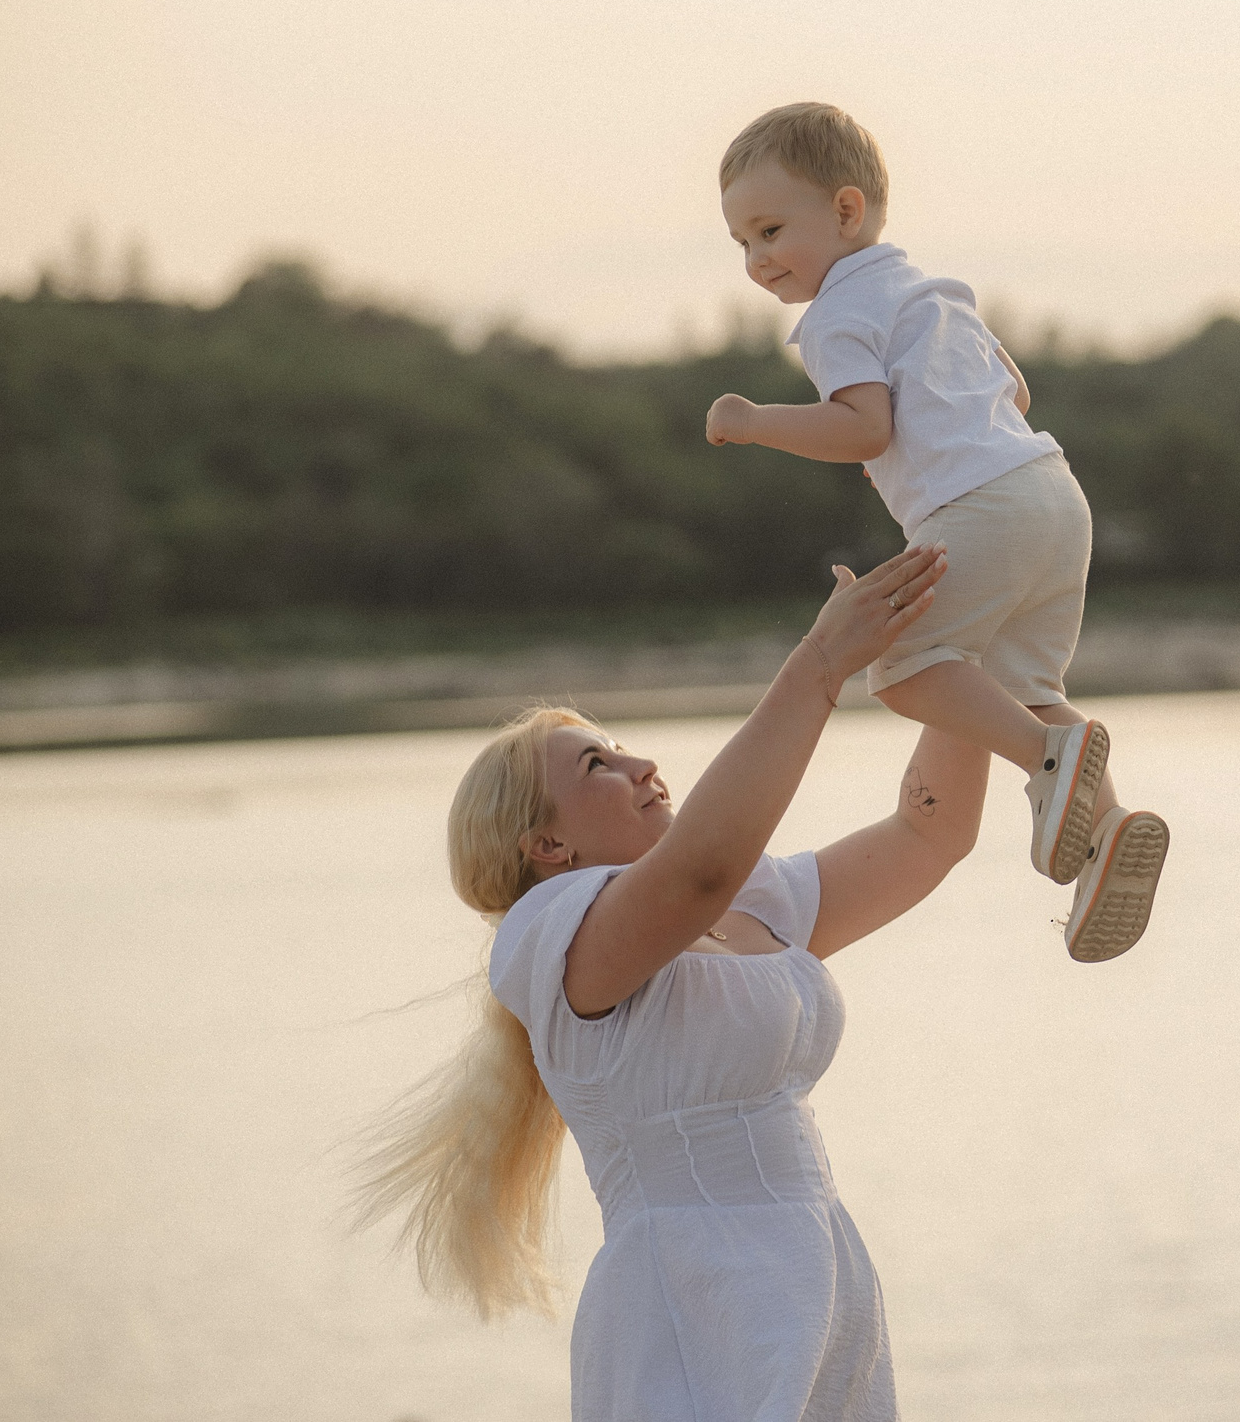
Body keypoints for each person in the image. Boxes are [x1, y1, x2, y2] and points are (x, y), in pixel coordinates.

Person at [355, 543, 973, 1420]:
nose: (641, 765)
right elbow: (697, 870)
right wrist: (822, 663)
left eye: (618, 746)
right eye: (595, 766)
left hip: (817, 1291)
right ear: (546, 846)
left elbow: (926, 837)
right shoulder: (553, 932)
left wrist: (976, 650)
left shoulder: (746, 901)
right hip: (692, 1308)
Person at [703, 100, 1167, 962]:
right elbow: (1016, 393)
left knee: (903, 666)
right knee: (1017, 686)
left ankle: (1051, 760)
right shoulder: (932, 288)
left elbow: (863, 430)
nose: (758, 260)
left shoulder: (835, 316)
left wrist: (758, 419)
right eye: (743, 244)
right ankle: (1107, 834)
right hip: (1053, 493)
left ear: (846, 211)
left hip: (976, 508)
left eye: (770, 230)